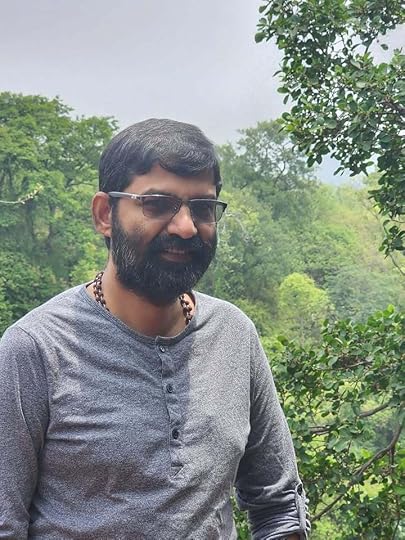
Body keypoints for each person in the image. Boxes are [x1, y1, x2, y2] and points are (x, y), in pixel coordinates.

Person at [0, 119, 310, 539]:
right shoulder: (35, 349)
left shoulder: (233, 335)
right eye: (158, 204)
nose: (186, 227)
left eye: (202, 207)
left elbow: (278, 505)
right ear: (105, 214)